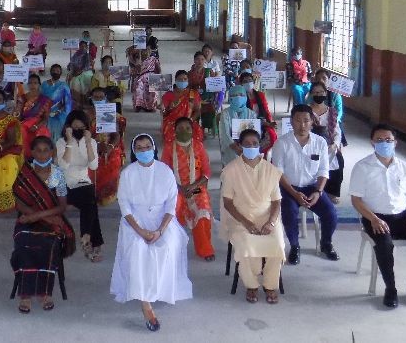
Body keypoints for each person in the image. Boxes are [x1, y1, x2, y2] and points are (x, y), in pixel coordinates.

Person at [111, 134, 193, 332]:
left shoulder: (165, 171)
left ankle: (159, 289)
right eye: (139, 148)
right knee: (138, 251)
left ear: (154, 148)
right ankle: (145, 303)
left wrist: (159, 231)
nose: (144, 151)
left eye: (148, 146)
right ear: (134, 151)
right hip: (134, 222)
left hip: (162, 221)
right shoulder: (128, 173)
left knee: (166, 246)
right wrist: (140, 231)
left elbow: (171, 205)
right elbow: (125, 206)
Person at [349, 124, 406, 309]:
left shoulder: (404, 167)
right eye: (379, 140)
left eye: (388, 140)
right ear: (372, 142)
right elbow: (356, 200)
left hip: (403, 216)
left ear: (395, 143)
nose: (384, 143)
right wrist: (373, 219)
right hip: (375, 217)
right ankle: (391, 289)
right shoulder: (362, 167)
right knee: (384, 245)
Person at [11, 136, 76, 313]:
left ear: (52, 152)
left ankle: (45, 292)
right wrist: (36, 217)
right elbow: (18, 203)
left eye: (45, 150)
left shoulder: (58, 174)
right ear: (31, 152)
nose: (41, 154)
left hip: (51, 220)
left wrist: (40, 216)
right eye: (38, 151)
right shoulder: (25, 173)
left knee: (49, 242)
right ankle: (25, 294)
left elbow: (62, 206)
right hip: (28, 220)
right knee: (24, 240)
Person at [220, 128, 285, 304]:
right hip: (240, 218)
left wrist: (271, 222)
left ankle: (271, 285)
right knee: (246, 246)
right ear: (240, 146)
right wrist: (247, 223)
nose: (251, 147)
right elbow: (227, 203)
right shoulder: (231, 170)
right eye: (246, 144)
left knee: (278, 244)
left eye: (255, 144)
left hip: (267, 217)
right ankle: (252, 285)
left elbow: (276, 202)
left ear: (260, 146)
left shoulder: (270, 170)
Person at [271, 104, 340, 264]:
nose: (302, 125)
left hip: (312, 187)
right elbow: (278, 173)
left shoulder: (320, 142)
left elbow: (324, 171)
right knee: (289, 212)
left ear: (312, 122)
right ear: (291, 122)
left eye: (306, 121)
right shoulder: (282, 143)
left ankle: (326, 243)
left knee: (331, 213)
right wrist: (294, 194)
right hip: (288, 187)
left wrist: (318, 191)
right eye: (298, 121)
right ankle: (295, 246)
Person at [161, 117, 214, 261]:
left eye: (187, 128)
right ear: (175, 131)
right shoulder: (168, 148)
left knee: (202, 210)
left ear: (192, 131)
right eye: (180, 128)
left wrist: (193, 186)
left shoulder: (199, 147)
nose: (184, 131)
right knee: (171, 211)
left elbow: (207, 173)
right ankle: (170, 247)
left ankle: (205, 249)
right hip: (175, 188)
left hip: (196, 188)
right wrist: (179, 187)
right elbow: (164, 172)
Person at [56, 110, 102, 262]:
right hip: (65, 185)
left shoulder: (92, 142)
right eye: (75, 128)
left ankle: (87, 238)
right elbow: (63, 166)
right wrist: (69, 142)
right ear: (68, 127)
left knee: (89, 197)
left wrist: (88, 143)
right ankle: (90, 240)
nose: (78, 131)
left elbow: (94, 166)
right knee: (91, 202)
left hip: (83, 184)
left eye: (81, 128)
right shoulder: (61, 142)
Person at [89, 87, 126, 206]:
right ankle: (92, 191)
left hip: (111, 145)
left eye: (101, 97)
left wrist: (109, 146)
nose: (98, 100)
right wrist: (96, 144)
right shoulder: (87, 115)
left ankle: (109, 192)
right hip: (91, 145)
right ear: (91, 99)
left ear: (106, 98)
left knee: (113, 158)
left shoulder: (112, 114)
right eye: (96, 97)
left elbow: (117, 135)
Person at [308, 82, 344, 202]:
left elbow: (337, 132)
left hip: (329, 145)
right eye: (316, 92)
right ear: (311, 94)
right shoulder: (306, 111)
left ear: (325, 93)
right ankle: (314, 190)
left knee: (338, 161)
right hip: (311, 145)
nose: (319, 94)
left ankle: (332, 193)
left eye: (321, 92)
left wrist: (335, 144)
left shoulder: (331, 111)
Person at [219, 85, 258, 167]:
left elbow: (254, 134)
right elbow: (225, 133)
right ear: (230, 98)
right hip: (230, 148)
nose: (238, 97)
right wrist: (235, 147)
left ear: (245, 97)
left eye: (241, 95)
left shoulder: (251, 113)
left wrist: (247, 147)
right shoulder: (225, 113)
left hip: (248, 147)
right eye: (234, 95)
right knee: (232, 170)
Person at [161, 69, 203, 145]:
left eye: (185, 79)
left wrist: (190, 120)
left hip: (188, 121)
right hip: (172, 122)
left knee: (197, 135)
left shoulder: (192, 93)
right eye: (180, 79)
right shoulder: (169, 94)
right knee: (172, 137)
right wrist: (170, 107)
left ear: (188, 80)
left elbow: (197, 110)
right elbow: (164, 113)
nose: (182, 81)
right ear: (175, 80)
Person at [15, 74, 52, 159]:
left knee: (42, 134)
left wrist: (36, 126)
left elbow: (45, 118)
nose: (32, 85)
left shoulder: (45, 99)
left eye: (35, 83)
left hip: (39, 124)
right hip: (24, 124)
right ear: (27, 84)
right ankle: (26, 158)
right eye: (30, 83)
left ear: (39, 84)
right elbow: (18, 116)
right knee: (21, 132)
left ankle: (41, 158)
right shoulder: (22, 98)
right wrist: (16, 112)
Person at [241, 72, 278, 154]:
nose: (248, 83)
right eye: (245, 81)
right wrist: (264, 123)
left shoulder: (260, 95)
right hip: (247, 124)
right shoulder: (241, 97)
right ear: (241, 84)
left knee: (272, 134)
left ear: (253, 82)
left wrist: (270, 122)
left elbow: (266, 110)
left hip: (263, 121)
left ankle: (263, 156)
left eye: (250, 80)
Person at [189, 51, 222, 134]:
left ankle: (205, 128)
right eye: (197, 59)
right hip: (194, 98)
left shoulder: (209, 72)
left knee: (209, 109)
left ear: (205, 61)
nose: (200, 61)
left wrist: (218, 90)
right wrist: (195, 98)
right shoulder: (189, 74)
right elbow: (188, 88)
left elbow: (215, 84)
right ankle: (195, 129)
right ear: (194, 60)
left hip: (207, 98)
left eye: (202, 59)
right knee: (192, 109)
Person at [41, 64, 73, 142]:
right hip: (46, 114)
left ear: (61, 73)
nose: (56, 72)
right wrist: (44, 112)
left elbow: (67, 103)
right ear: (50, 72)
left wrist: (58, 111)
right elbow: (40, 100)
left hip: (59, 116)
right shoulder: (44, 84)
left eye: (58, 71)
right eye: (54, 71)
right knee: (47, 136)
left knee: (58, 137)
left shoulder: (64, 86)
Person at [130, 46, 160, 112]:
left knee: (152, 89)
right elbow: (138, 70)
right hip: (141, 76)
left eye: (147, 51)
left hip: (152, 76)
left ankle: (150, 106)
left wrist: (158, 77)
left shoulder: (153, 59)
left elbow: (159, 69)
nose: (145, 52)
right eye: (143, 51)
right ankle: (139, 105)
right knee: (138, 86)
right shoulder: (138, 60)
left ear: (150, 52)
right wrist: (139, 59)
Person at [68, 40, 94, 108]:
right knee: (73, 81)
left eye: (84, 46)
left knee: (85, 80)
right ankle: (77, 102)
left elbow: (86, 66)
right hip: (76, 72)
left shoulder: (87, 55)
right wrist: (72, 71)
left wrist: (79, 72)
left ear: (86, 48)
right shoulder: (75, 55)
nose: (83, 48)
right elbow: (71, 64)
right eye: (81, 46)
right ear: (79, 47)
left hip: (85, 72)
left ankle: (85, 102)